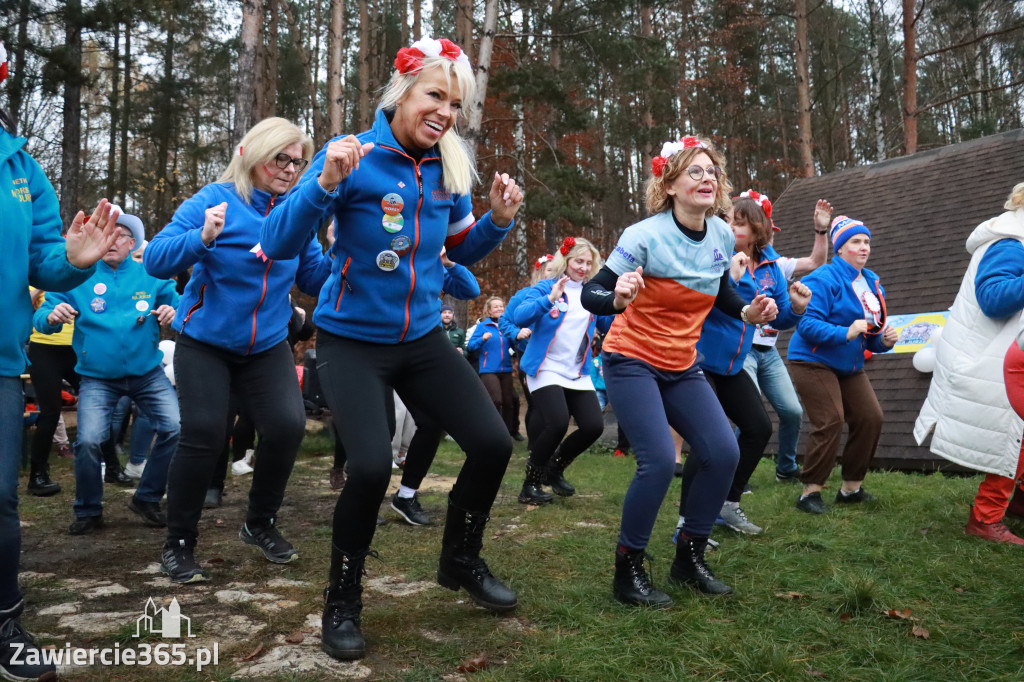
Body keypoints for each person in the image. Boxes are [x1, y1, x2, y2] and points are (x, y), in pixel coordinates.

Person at [259, 36, 524, 661]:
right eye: (436, 95)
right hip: (351, 342)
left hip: (422, 338)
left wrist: (498, 219)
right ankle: (343, 598)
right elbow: (277, 239)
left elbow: (459, 250)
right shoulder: (352, 155)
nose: (445, 112)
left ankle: (460, 558)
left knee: (491, 443)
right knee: (373, 467)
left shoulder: (448, 165)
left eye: (455, 103)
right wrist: (323, 184)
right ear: (400, 93)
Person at [581, 135, 777, 607]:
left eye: (712, 172)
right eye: (695, 170)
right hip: (631, 360)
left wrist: (748, 312)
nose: (706, 178)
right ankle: (628, 571)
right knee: (657, 463)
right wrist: (618, 300)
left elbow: (719, 295)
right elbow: (592, 293)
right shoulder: (643, 235)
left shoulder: (722, 235)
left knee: (722, 451)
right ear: (669, 184)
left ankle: (688, 556)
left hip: (683, 364)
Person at [145, 117, 331, 582]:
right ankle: (180, 542)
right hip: (205, 342)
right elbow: (155, 258)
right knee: (205, 433)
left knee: (288, 427)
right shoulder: (213, 200)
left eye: (298, 162)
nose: (290, 169)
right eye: (280, 159)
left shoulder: (296, 212)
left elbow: (313, 279)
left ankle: (259, 523)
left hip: (266, 345)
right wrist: (201, 238)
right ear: (252, 155)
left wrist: (342, 255)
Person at [1, 38, 121, 678]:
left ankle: (3, 623)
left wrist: (73, 261)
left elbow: (44, 260)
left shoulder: (20, 167)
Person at [34, 212, 181, 535]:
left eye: (120, 236)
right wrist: (51, 314)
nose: (111, 241)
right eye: (106, 235)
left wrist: (174, 311)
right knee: (87, 441)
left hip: (147, 372)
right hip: (97, 377)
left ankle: (147, 497)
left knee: (174, 427)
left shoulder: (152, 274)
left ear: (132, 244)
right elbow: (43, 314)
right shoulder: (78, 275)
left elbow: (182, 307)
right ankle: (88, 509)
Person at [682, 191, 811, 535]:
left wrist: (795, 308)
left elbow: (779, 317)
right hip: (701, 359)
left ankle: (727, 504)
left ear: (756, 230)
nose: (729, 227)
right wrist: (734, 278)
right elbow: (697, 300)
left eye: (738, 223)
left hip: (734, 363)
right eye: (727, 220)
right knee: (708, 438)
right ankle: (687, 522)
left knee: (758, 428)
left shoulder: (771, 264)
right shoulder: (712, 254)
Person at [915, 183, 1024, 543]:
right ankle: (985, 518)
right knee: (1016, 438)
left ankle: (1015, 502)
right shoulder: (1009, 243)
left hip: (1006, 356)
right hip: (994, 363)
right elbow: (993, 299)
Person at [789, 215, 898, 514]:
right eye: (855, 242)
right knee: (831, 419)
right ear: (840, 248)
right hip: (811, 359)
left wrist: (883, 342)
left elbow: (869, 337)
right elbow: (806, 325)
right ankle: (809, 493)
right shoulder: (822, 278)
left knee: (870, 417)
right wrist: (845, 331)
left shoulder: (872, 282)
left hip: (848, 364)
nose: (863, 248)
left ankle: (851, 488)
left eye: (866, 242)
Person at [510, 236, 612, 503]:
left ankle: (554, 469)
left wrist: (622, 302)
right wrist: (549, 299)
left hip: (577, 370)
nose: (583, 267)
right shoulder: (545, 287)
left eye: (589, 263)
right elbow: (519, 316)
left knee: (593, 427)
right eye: (579, 261)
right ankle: (530, 484)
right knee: (556, 422)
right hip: (545, 367)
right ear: (566, 260)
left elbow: (609, 324)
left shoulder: (593, 292)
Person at [740, 196, 832, 482]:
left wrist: (820, 231)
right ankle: (735, 474)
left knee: (792, 411)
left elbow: (817, 261)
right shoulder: (727, 262)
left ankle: (786, 468)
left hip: (768, 351)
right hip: (740, 350)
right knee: (748, 413)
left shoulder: (775, 265)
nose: (769, 235)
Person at [25, 289, 79, 496]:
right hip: (44, 348)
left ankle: (110, 465)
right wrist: (40, 287)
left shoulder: (78, 275)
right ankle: (37, 475)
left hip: (78, 348)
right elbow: (23, 304)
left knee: (99, 402)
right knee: (50, 412)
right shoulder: (35, 276)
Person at [467, 297, 518, 436]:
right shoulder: (483, 326)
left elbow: (515, 345)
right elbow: (470, 346)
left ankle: (506, 435)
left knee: (509, 403)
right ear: (489, 311)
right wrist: (482, 339)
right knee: (496, 401)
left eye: (501, 306)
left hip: (506, 369)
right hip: (488, 369)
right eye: (495, 307)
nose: (499, 309)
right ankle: (491, 433)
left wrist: (518, 338)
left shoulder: (507, 326)